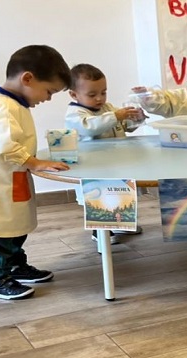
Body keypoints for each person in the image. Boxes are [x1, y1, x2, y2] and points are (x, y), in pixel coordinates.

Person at [0, 45, 72, 300]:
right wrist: (34, 162)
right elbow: (3, 144)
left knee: (16, 226)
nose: (48, 98)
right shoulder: (2, 106)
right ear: (27, 78)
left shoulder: (14, 104)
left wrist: (31, 162)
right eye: (49, 91)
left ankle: (15, 266)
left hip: (12, 179)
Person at [65, 63, 145, 245]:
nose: (99, 98)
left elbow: (124, 126)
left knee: (119, 195)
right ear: (74, 94)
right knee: (99, 198)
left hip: (115, 162)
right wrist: (116, 116)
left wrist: (135, 118)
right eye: (92, 95)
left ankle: (121, 224)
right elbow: (91, 127)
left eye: (103, 92)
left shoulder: (108, 108)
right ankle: (100, 234)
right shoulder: (74, 114)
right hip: (94, 166)